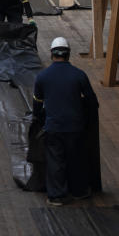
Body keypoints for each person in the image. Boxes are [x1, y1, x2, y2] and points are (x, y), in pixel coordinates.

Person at [33, 37, 99, 206]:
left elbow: (37, 105)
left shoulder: (42, 77)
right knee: (76, 158)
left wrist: (41, 121)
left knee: (55, 160)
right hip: (75, 127)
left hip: (53, 127)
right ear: (68, 54)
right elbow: (92, 102)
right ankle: (79, 191)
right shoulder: (79, 75)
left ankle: (56, 195)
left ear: (51, 54)